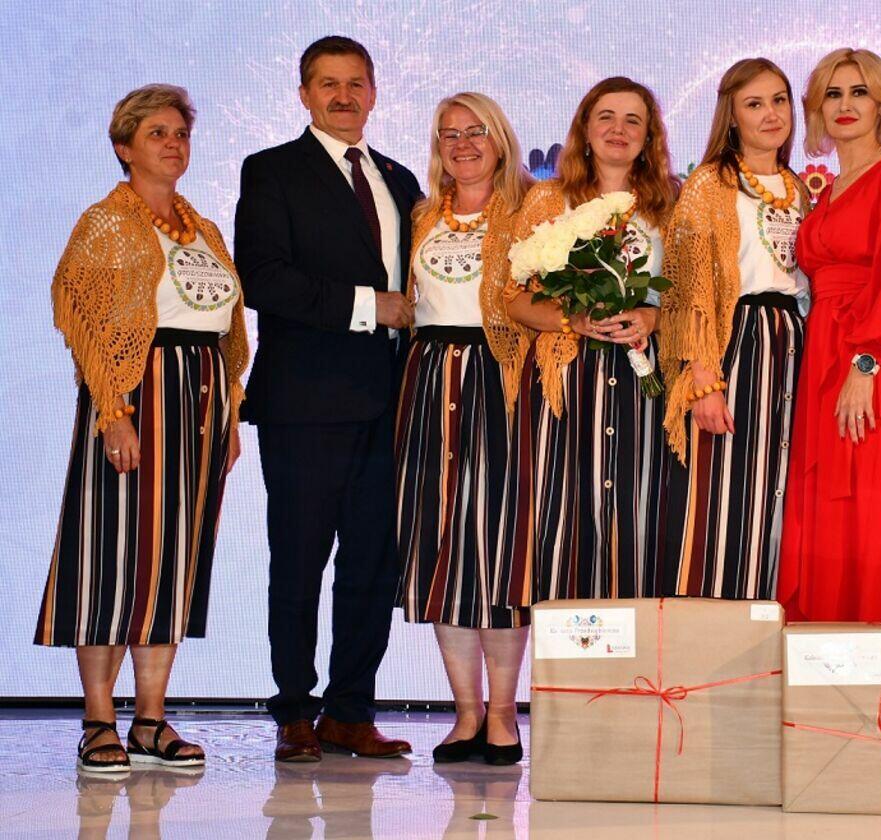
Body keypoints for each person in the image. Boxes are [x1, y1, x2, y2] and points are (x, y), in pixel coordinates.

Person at [36, 84, 249, 772]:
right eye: (157, 133)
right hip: (137, 396)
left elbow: (226, 329)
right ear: (124, 147)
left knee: (170, 562)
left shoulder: (202, 227)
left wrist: (229, 413)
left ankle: (151, 721)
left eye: (180, 133)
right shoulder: (105, 222)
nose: (173, 144)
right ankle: (99, 720)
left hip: (200, 403)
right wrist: (113, 411)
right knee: (110, 557)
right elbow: (84, 318)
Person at [234, 35, 422, 762]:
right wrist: (369, 306)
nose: (343, 96)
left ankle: (350, 712)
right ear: (304, 94)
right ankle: (293, 712)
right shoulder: (272, 170)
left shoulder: (402, 179)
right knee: (299, 561)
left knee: (372, 565)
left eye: (355, 83)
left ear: (373, 92)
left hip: (389, 401)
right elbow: (264, 278)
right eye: (327, 84)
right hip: (304, 404)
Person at [498, 76, 680, 604]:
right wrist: (570, 320)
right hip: (566, 380)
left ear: (649, 136)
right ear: (584, 128)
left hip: (646, 380)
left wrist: (652, 316)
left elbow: (692, 291)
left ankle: (640, 647)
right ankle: (569, 649)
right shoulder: (547, 198)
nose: (618, 130)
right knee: (565, 519)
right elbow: (513, 298)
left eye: (633, 120)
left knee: (640, 514)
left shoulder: (671, 203)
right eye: (606, 117)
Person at [778, 48, 881, 624]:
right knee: (826, 518)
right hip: (822, 359)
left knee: (870, 516)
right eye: (833, 93)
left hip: (873, 364)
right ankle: (823, 669)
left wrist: (865, 365)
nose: (845, 105)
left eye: (859, 92)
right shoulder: (825, 191)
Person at [395, 92, 533, 766]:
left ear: (500, 139)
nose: (463, 144)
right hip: (428, 381)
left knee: (498, 548)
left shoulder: (532, 212)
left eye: (476, 131)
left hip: (499, 379)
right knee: (442, 547)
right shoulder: (422, 215)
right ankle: (465, 713)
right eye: (449, 133)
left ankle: (503, 714)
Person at [658, 58, 809, 599]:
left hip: (794, 341)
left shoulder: (798, 187)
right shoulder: (710, 183)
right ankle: (709, 631)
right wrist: (703, 376)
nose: (771, 114)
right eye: (754, 104)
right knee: (721, 495)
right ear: (732, 116)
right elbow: (688, 286)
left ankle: (764, 628)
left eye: (779, 100)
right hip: (736, 341)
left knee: (777, 491)